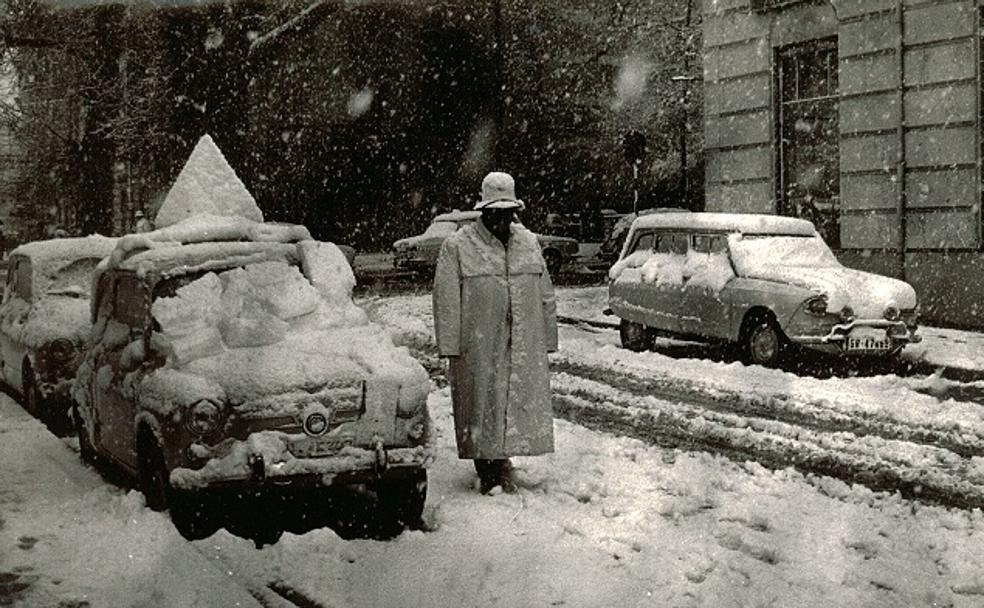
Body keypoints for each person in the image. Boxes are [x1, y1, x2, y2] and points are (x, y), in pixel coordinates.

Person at [432, 171, 558, 494]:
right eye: (496, 213)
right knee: (483, 402)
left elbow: (545, 292)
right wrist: (451, 346)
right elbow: (446, 299)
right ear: (484, 211)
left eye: (508, 213)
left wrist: (546, 337)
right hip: (478, 342)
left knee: (511, 400)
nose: (503, 220)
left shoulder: (528, 243)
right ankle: (486, 466)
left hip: (521, 340)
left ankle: (501, 459)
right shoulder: (458, 246)